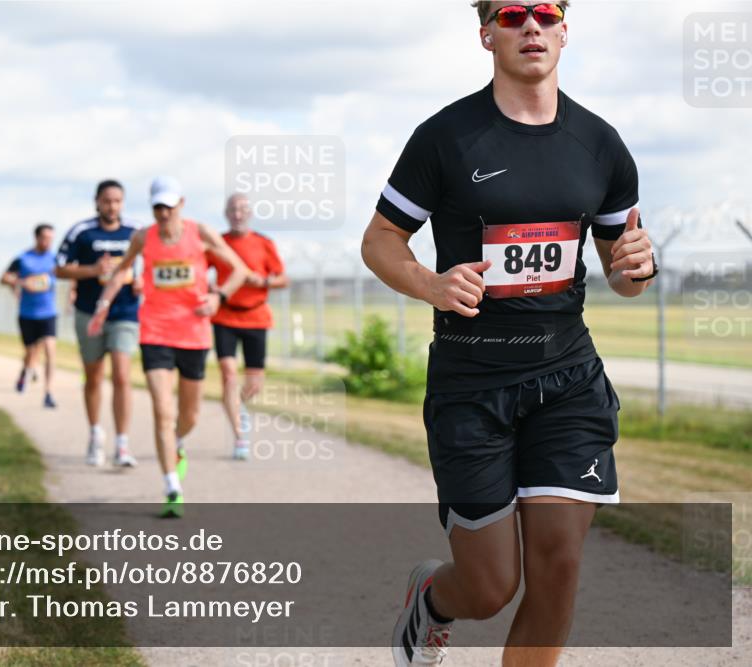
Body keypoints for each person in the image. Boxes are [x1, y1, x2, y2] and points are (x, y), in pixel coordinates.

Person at [361, 3, 656, 665]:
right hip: (473, 384)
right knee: (492, 584)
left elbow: (621, 268)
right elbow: (380, 241)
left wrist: (639, 265)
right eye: (513, 13)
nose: (531, 25)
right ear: (486, 33)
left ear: (564, 31)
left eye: (545, 13)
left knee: (558, 564)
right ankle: (434, 599)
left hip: (567, 381)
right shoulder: (446, 138)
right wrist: (431, 284)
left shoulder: (602, 146)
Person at [88, 177, 249, 517]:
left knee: (188, 415)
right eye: (157, 207)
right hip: (155, 332)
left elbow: (238, 269)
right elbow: (119, 274)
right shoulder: (142, 237)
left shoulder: (200, 233)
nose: (163, 213)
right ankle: (171, 486)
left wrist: (218, 297)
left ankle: (177, 443)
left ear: (182, 204)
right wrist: (101, 310)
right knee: (162, 409)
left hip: (193, 333)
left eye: (169, 206)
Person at [56, 180, 143, 467]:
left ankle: (122, 443)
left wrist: (143, 282)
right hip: (88, 313)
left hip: (124, 313)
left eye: (117, 201)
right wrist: (92, 270)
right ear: (97, 202)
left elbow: (150, 264)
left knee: (121, 374)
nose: (112, 206)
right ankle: (95, 433)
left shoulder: (135, 232)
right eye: (107, 201)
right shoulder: (82, 232)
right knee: (93, 376)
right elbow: (59, 268)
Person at [207, 193, 288, 460]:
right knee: (229, 375)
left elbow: (282, 279)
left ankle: (238, 405)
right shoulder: (218, 244)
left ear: (249, 212)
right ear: (226, 213)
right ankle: (240, 438)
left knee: (254, 385)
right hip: (225, 316)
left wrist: (261, 281)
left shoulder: (264, 243)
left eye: (242, 209)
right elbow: (199, 270)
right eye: (232, 209)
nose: (237, 214)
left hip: (256, 317)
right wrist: (208, 287)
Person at [2, 223, 60, 408]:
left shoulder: (55, 259)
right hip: (27, 313)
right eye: (45, 238)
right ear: (36, 238)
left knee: (50, 350)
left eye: (51, 238)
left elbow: (69, 273)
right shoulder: (23, 258)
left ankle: (48, 392)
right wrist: (21, 283)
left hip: (48, 312)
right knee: (31, 352)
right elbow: (4, 277)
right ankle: (24, 372)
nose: (48, 242)